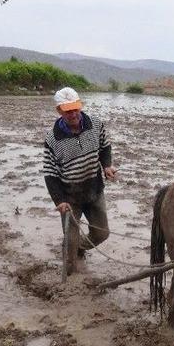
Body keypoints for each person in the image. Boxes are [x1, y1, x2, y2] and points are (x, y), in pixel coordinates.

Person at [42, 87, 117, 272]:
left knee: (101, 233)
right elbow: (50, 173)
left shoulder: (96, 125)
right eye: (67, 110)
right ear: (59, 111)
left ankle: (80, 248)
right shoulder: (52, 139)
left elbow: (105, 147)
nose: (73, 113)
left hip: (94, 191)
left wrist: (106, 165)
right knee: (69, 244)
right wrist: (59, 201)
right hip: (70, 198)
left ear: (80, 106)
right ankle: (69, 277)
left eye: (75, 108)